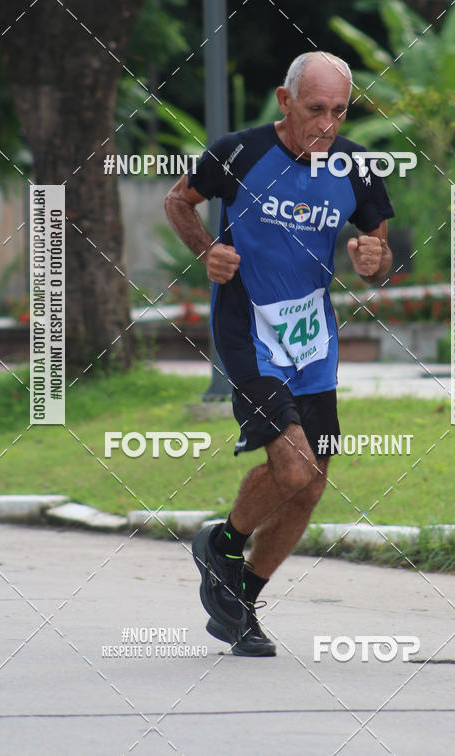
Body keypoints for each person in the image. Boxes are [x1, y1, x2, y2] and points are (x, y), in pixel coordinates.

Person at [164, 51, 394, 657]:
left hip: (313, 340)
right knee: (292, 469)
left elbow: (377, 249)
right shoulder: (238, 154)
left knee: (313, 486)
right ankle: (221, 544)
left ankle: (240, 599)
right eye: (315, 109)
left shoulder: (356, 167)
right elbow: (178, 201)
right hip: (249, 330)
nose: (327, 124)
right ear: (284, 101)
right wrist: (207, 250)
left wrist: (373, 262)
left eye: (339, 111)